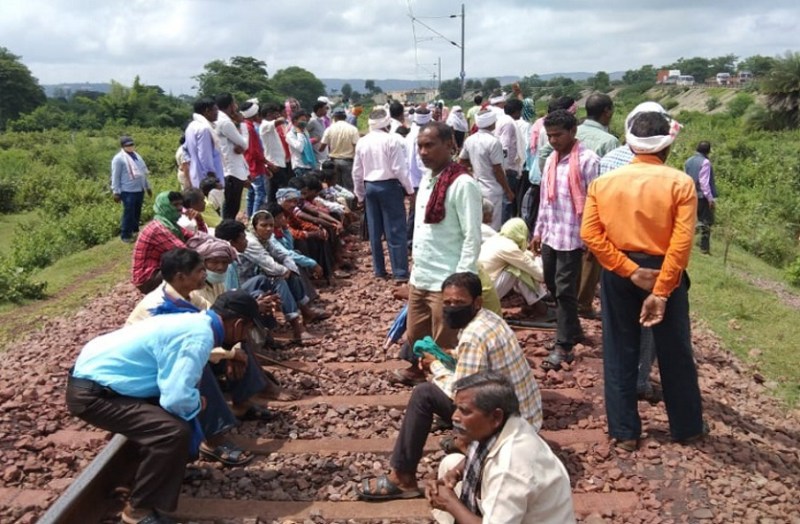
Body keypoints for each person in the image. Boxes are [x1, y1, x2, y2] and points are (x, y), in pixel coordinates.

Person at [66, 290, 261, 524]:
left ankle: (166, 473)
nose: (246, 335)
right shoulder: (199, 336)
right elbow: (176, 399)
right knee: (172, 432)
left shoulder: (196, 321)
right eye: (248, 329)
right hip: (93, 393)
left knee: (175, 417)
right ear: (238, 324)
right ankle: (138, 511)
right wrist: (196, 402)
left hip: (100, 377)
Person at [581, 109, 707, 451]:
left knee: (619, 349)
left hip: (620, 271)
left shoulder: (603, 183)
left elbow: (590, 234)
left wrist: (627, 269)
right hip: (665, 269)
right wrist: (662, 290)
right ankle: (687, 428)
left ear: (632, 145)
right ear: (666, 147)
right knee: (675, 351)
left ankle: (624, 432)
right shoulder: (680, 183)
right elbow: (681, 243)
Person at [359, 272, 542, 501]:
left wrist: (434, 366)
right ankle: (464, 440)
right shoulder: (489, 319)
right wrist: (449, 356)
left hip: (508, 426)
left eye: (459, 303)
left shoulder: (474, 335)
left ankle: (402, 477)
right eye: (447, 303)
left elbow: (462, 395)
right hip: (526, 418)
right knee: (440, 382)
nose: (452, 307)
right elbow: (475, 364)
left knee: (423, 393)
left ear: (477, 302)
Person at [126, 248, 258, 466]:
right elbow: (185, 351)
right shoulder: (156, 306)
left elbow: (218, 320)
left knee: (238, 334)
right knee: (200, 368)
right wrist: (229, 353)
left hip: (178, 355)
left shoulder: (190, 296)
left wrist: (232, 349)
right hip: (150, 367)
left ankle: (243, 401)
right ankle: (214, 439)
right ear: (180, 277)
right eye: (199, 271)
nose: (204, 275)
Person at [396, 123, 483, 384]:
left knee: (445, 340)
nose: (423, 152)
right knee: (415, 333)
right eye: (420, 146)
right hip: (422, 275)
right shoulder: (428, 179)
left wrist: (461, 283)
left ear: (450, 145)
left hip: (446, 280)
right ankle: (420, 371)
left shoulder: (462, 184)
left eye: (429, 145)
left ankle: (446, 389)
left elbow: (472, 236)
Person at [427, 372, 575, 524]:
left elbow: (507, 470)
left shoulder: (510, 466)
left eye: (465, 411)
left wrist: (449, 503)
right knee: (450, 463)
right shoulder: (510, 425)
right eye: (456, 408)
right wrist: (456, 473)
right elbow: (478, 455)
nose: (454, 416)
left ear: (496, 417)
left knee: (454, 501)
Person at [532, 110, 600, 370]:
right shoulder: (550, 160)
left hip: (574, 236)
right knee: (552, 285)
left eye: (558, 135)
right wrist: (538, 231)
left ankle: (564, 346)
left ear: (573, 132)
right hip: (551, 233)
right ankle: (573, 329)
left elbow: (596, 202)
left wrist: (593, 239)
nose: (553, 140)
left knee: (565, 289)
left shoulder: (588, 160)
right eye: (549, 136)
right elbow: (545, 199)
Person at [353, 108, 414, 281]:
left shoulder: (362, 142)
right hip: (389, 186)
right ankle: (400, 272)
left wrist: (359, 195)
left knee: (375, 229)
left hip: (370, 186)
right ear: (387, 124)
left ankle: (379, 270)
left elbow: (357, 172)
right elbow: (399, 169)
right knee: (395, 228)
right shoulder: (391, 140)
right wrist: (409, 190)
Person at [459, 109, 513, 231]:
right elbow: (497, 170)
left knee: (478, 223)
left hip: (476, 187)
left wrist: (473, 169)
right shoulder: (494, 142)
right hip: (492, 189)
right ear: (491, 123)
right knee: (492, 226)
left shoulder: (470, 140)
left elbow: (461, 162)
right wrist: (508, 190)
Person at [479, 218, 547, 309]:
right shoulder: (509, 248)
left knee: (517, 265)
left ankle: (537, 297)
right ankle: (536, 302)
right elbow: (534, 270)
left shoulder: (496, 239)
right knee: (517, 268)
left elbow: (523, 255)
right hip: (487, 292)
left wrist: (531, 254)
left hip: (480, 289)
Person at [131, 191, 191, 294]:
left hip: (158, 270)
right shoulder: (159, 228)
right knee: (187, 263)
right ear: (165, 206)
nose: (180, 208)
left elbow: (195, 237)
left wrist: (198, 219)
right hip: (148, 279)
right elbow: (185, 252)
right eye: (175, 205)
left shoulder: (171, 225)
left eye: (181, 204)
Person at [111, 135, 152, 243]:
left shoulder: (137, 156)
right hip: (128, 190)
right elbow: (115, 176)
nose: (130, 146)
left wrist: (148, 187)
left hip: (139, 189)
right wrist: (116, 192)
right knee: (128, 212)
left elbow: (143, 173)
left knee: (137, 212)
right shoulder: (119, 159)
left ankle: (135, 231)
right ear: (123, 146)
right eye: (128, 145)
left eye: (132, 144)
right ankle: (125, 235)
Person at [215, 93, 249, 220]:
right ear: (230, 105)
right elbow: (244, 144)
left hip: (231, 168)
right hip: (232, 170)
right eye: (235, 103)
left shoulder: (221, 120)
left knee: (230, 206)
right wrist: (243, 124)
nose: (236, 106)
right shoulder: (225, 122)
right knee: (232, 208)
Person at [685, 141, 717, 255]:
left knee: (690, 221)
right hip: (702, 196)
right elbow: (704, 182)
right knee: (706, 222)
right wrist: (710, 199)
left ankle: (686, 243)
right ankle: (704, 248)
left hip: (690, 194)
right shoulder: (705, 162)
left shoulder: (688, 161)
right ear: (708, 151)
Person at [184, 97, 224, 189]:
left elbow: (185, 150)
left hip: (196, 173)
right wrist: (213, 179)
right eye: (215, 109)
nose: (217, 112)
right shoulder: (204, 129)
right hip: (208, 179)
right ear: (207, 111)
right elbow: (205, 156)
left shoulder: (191, 126)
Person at [240, 99, 268, 218]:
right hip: (254, 165)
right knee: (259, 194)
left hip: (250, 164)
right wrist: (266, 163)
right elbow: (254, 150)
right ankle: (255, 219)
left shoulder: (245, 126)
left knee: (252, 194)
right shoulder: (249, 128)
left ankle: (251, 216)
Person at [259, 103, 291, 205]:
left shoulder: (270, 126)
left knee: (275, 192)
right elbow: (280, 121)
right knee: (276, 193)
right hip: (274, 164)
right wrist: (280, 117)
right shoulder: (265, 125)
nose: (277, 115)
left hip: (278, 163)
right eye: (275, 113)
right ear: (269, 114)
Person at [321, 107, 360, 191]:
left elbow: (322, 147)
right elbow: (357, 146)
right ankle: (350, 203)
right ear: (345, 117)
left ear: (334, 117)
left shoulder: (329, 129)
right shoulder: (352, 129)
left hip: (334, 161)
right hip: (348, 161)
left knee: (336, 187)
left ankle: (340, 203)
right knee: (350, 186)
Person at [286, 110, 316, 176]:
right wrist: (299, 133)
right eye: (302, 120)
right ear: (294, 121)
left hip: (309, 165)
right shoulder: (290, 135)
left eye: (305, 120)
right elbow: (300, 148)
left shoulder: (305, 132)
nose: (304, 122)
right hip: (300, 166)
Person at [308, 101, 329, 167]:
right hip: (317, 155)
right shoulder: (312, 121)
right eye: (325, 108)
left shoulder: (322, 120)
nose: (327, 110)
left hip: (324, 153)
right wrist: (312, 140)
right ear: (320, 109)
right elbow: (303, 133)